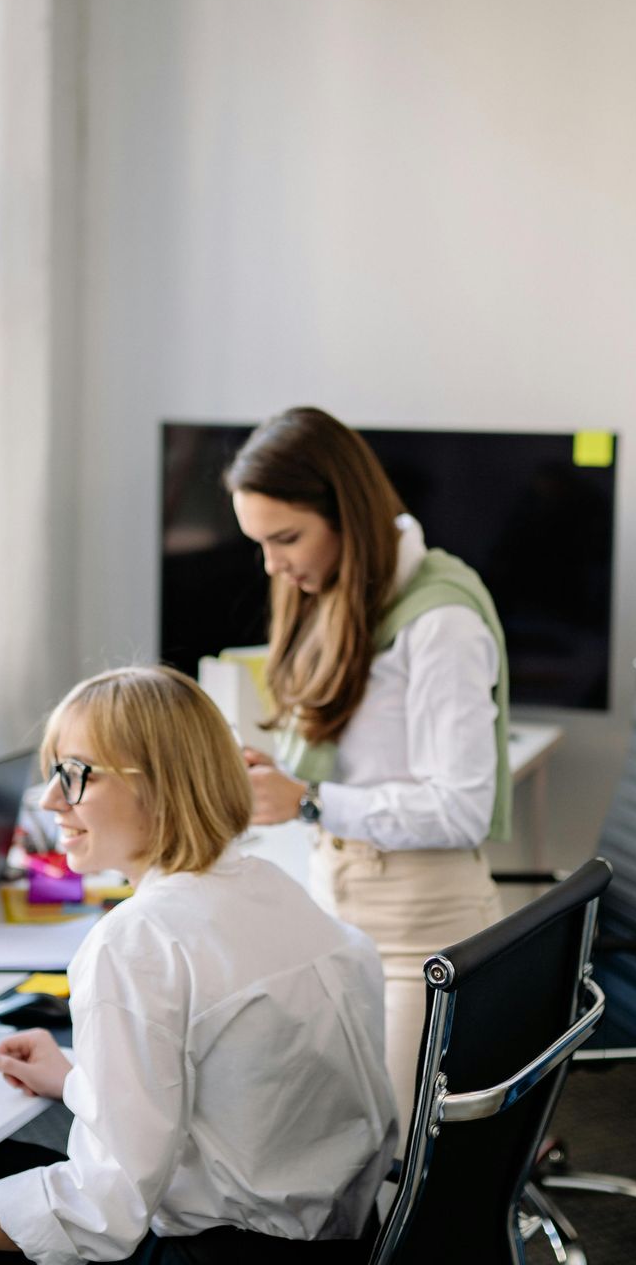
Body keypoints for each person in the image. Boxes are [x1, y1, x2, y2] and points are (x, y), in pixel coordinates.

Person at [0, 666, 397, 1264]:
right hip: (341, 1241)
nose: (50, 799)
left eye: (76, 775)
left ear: (161, 785)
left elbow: (100, 1216)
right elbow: (239, 1088)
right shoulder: (275, 887)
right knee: (7, 1168)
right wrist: (76, 1080)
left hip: (223, 1254)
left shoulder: (137, 940)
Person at [223, 406, 510, 1134]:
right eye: (259, 543)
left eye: (286, 539)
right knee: (333, 1141)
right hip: (341, 904)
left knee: (392, 1158)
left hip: (419, 930)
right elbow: (352, 751)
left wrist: (311, 800)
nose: (273, 565)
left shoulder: (439, 621)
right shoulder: (336, 593)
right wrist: (279, 778)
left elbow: (461, 809)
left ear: (347, 514)